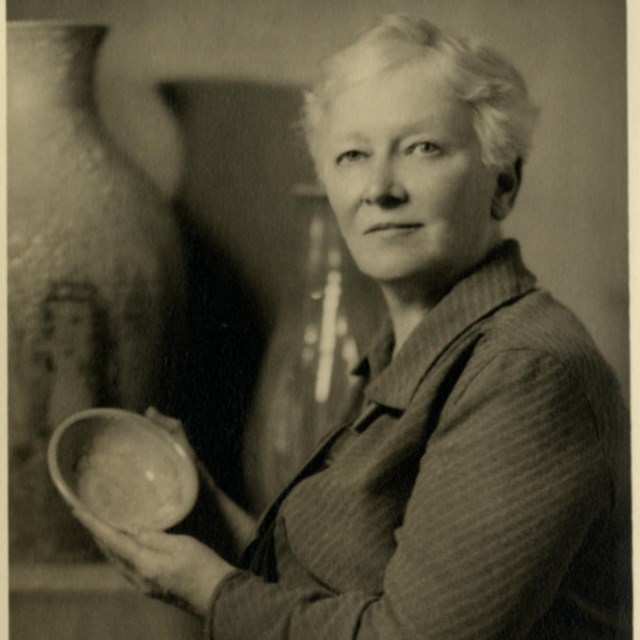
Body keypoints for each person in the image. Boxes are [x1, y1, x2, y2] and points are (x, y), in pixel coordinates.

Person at [74, 14, 631, 639]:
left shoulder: (526, 371)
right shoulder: (414, 352)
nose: (379, 188)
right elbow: (335, 587)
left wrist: (209, 590)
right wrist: (212, 522)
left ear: (503, 185)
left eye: (423, 148)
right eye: (352, 155)